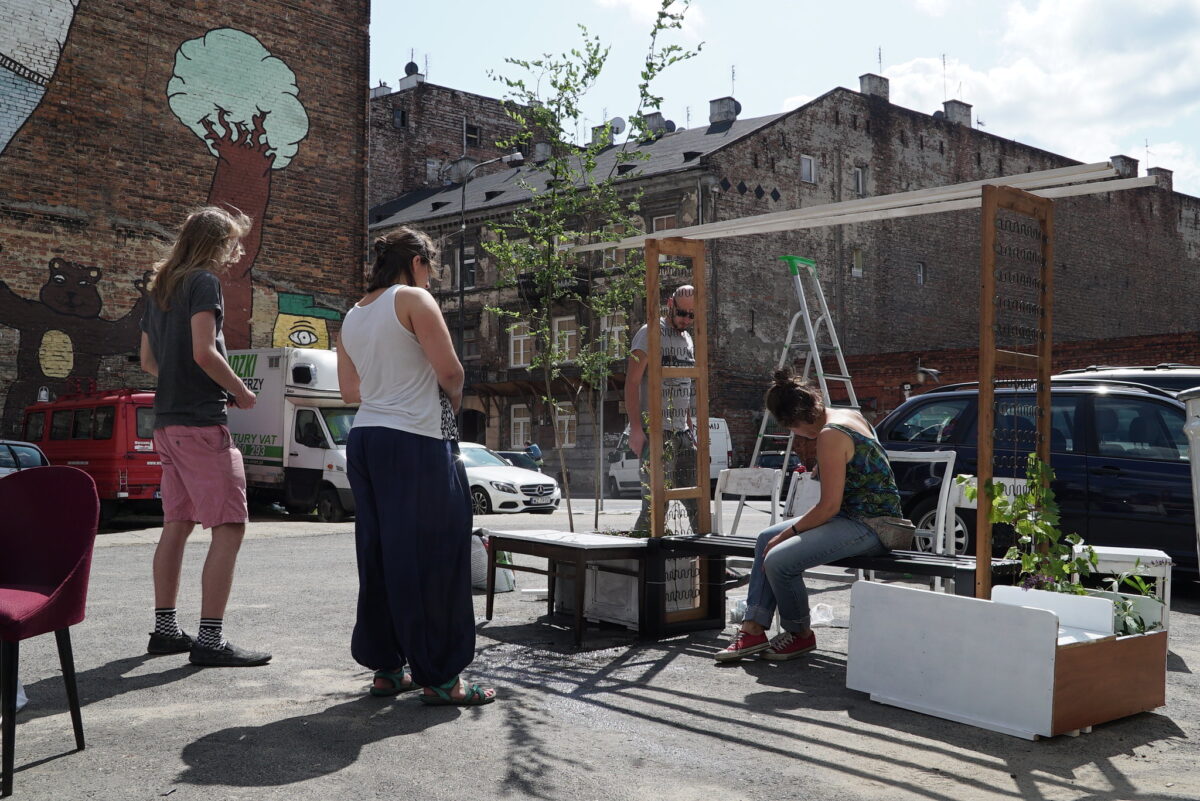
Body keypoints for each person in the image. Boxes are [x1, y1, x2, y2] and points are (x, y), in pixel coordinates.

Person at [337, 227, 495, 706]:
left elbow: (350, 393)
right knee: (436, 555)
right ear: (418, 262)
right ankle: (443, 677)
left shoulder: (353, 314)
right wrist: (440, 404)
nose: (434, 277)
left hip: (366, 438)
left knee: (382, 553)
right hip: (417, 439)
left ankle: (388, 667)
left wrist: (390, 395)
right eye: (433, 266)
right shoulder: (413, 300)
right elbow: (451, 372)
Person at [139, 206, 270, 667]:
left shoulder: (160, 288)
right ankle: (210, 641)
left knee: (176, 525)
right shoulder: (203, 282)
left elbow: (149, 363)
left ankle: (165, 630)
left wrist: (190, 381)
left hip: (167, 424)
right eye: (233, 243)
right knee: (230, 525)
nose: (236, 253)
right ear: (216, 243)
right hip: (200, 424)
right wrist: (240, 392)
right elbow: (204, 350)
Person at [715, 369, 902, 662]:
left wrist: (786, 535)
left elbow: (828, 507)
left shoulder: (830, 435)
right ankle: (752, 628)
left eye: (792, 429)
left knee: (779, 559)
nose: (795, 435)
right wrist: (778, 536)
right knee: (766, 538)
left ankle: (800, 634)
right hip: (857, 517)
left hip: (873, 525)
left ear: (795, 422)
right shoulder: (846, 415)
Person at [625, 284, 699, 535]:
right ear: (670, 304)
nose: (686, 320)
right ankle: (640, 565)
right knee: (655, 505)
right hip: (657, 431)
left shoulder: (687, 338)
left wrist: (690, 425)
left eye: (692, 315)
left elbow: (685, 384)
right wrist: (636, 428)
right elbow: (632, 382)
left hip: (682, 432)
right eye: (682, 313)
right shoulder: (650, 333)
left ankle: (709, 564)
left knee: (697, 501)